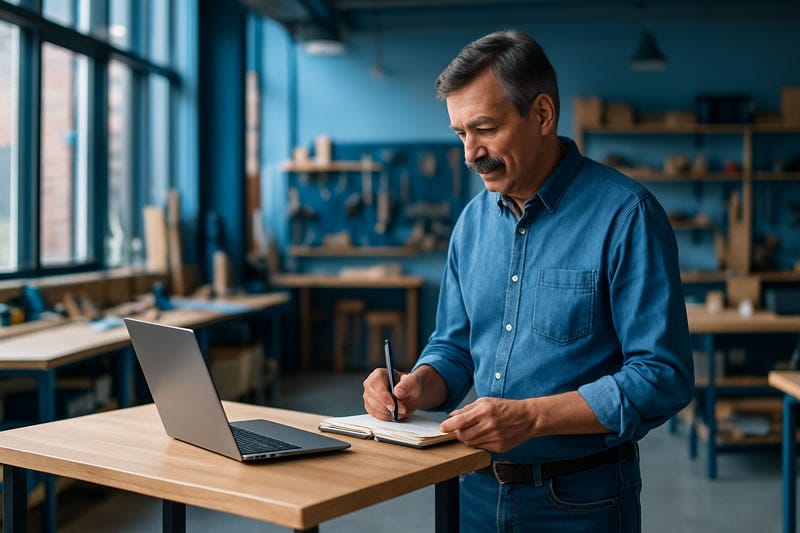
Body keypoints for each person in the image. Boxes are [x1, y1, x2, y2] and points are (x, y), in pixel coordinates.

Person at [362, 29, 693, 532]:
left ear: (541, 115)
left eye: (484, 128)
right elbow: (454, 349)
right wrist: (413, 387)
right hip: (472, 488)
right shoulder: (471, 223)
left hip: (580, 502)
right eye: (460, 134)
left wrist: (532, 417)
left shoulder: (627, 216)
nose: (470, 153)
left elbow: (662, 376)